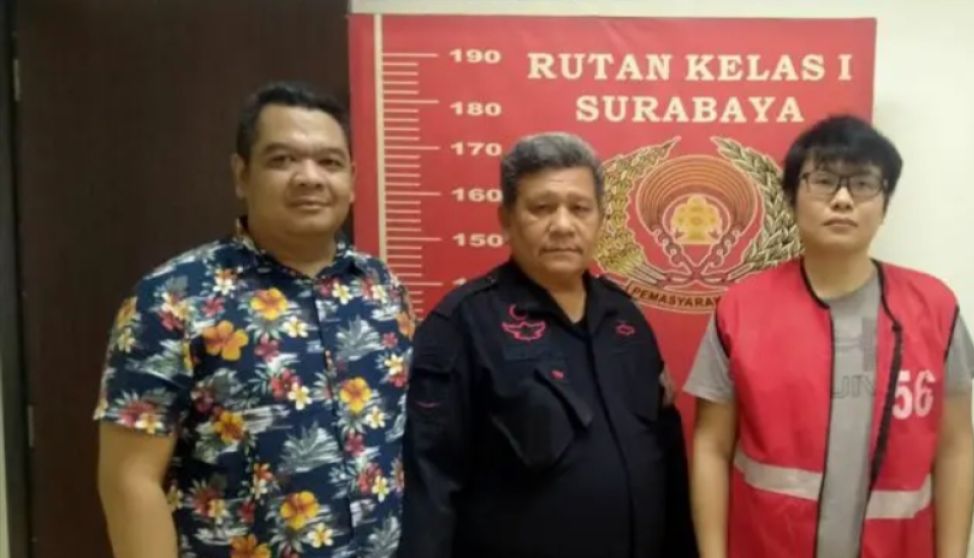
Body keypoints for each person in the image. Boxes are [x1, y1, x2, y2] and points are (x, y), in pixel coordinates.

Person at [95, 82, 415, 558]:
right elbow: (129, 480)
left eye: (329, 162)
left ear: (352, 179)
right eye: (282, 159)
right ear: (242, 175)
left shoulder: (383, 289)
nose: (309, 178)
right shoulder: (172, 298)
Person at [686, 115, 974, 558]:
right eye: (824, 181)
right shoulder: (741, 309)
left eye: (863, 184)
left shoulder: (935, 308)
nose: (843, 200)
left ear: (885, 205)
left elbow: (955, 446)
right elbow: (711, 445)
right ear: (792, 198)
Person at [398, 132, 696, 558]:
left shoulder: (625, 318)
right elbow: (430, 483)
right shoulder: (463, 324)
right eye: (542, 208)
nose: (562, 225)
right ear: (506, 219)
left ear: (600, 219)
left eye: (579, 208)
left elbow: (665, 455)